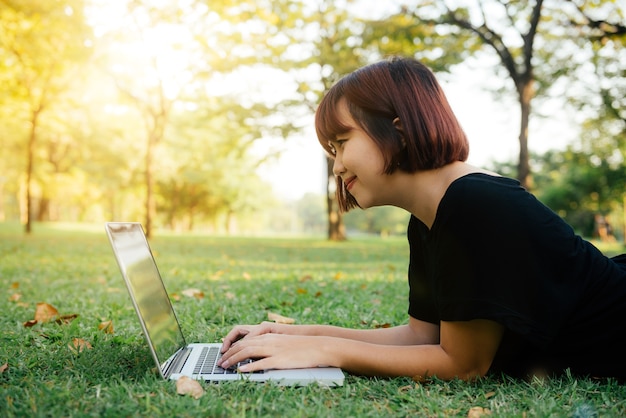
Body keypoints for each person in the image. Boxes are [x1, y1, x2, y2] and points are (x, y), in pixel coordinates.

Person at [218, 56, 626, 381]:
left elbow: (463, 365)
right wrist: (293, 335)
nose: (338, 166)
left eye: (341, 143)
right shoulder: (431, 216)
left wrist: (324, 351)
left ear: (398, 130)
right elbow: (421, 336)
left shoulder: (476, 202)